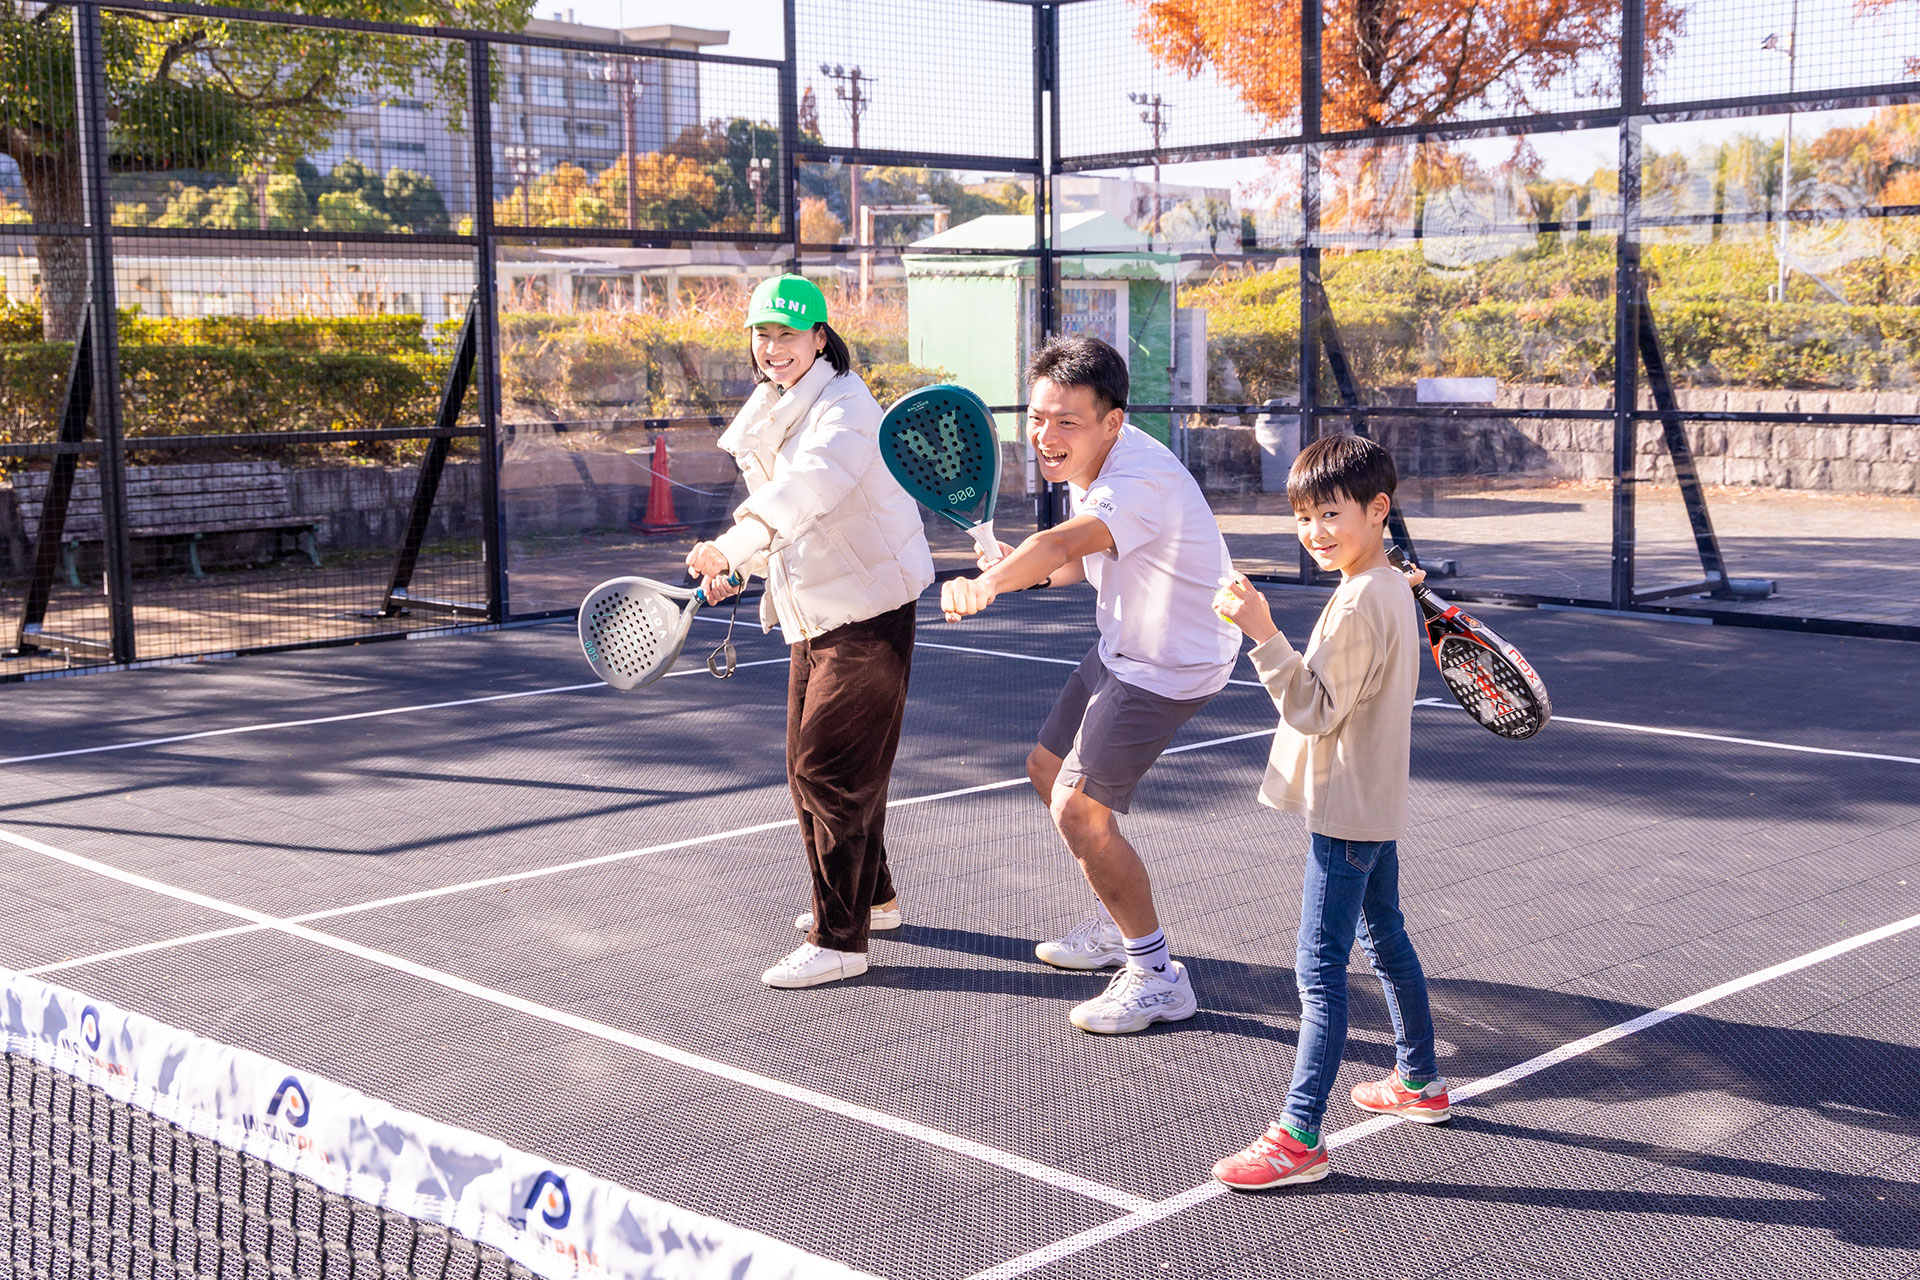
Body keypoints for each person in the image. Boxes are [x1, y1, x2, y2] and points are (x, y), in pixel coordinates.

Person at [940, 334, 1239, 1034]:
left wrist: (990, 582)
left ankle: (1157, 977)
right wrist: (1015, 569)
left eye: (1066, 422)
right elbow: (1075, 560)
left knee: (1078, 810)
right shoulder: (1096, 462)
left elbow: (1060, 544)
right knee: (1046, 768)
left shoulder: (1137, 479)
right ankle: (1115, 924)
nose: (1046, 436)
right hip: (1126, 642)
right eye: (1037, 418)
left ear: (1113, 421)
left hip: (1172, 662)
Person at [1207, 432, 1447, 1190]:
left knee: (1319, 971)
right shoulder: (1389, 585)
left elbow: (1313, 709)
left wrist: (1261, 632)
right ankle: (1418, 1081)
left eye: (1331, 514)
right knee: (1386, 939)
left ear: (1379, 510)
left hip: (1346, 811)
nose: (1315, 531)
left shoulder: (1363, 600)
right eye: (1304, 517)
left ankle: (1299, 1135)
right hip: (1373, 801)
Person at [686, 274, 934, 990]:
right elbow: (785, 514)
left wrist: (731, 547)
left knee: (829, 771)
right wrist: (740, 564)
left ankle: (840, 939)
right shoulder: (780, 402)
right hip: (818, 607)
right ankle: (873, 899)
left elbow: (809, 490)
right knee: (818, 768)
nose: (773, 347)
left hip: (867, 607)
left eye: (788, 334)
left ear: (820, 338)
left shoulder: (847, 408)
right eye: (762, 334)